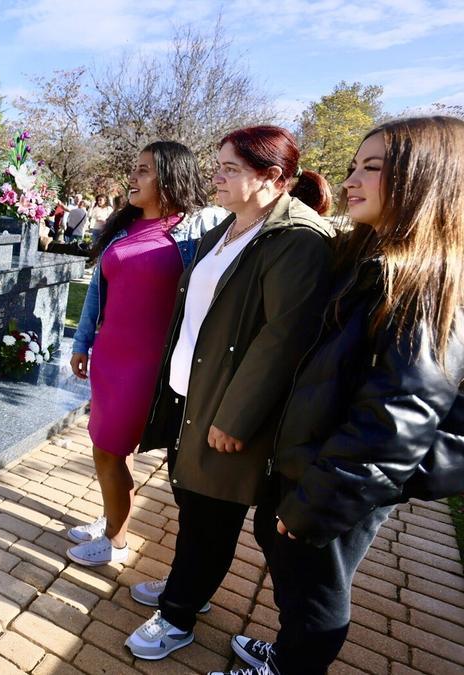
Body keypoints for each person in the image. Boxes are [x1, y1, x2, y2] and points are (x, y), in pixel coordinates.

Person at [217, 117, 464, 675]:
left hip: (339, 479)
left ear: (425, 179)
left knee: (316, 596)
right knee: (290, 567)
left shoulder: (421, 287)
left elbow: (396, 421)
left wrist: (316, 505)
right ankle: (287, 653)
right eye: (354, 166)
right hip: (314, 462)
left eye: (371, 169)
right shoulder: (369, 260)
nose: (352, 180)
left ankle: (293, 666)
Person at [124, 125, 335, 661]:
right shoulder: (229, 224)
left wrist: (237, 418)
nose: (215, 175)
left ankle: (177, 617)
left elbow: (282, 338)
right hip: (191, 393)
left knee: (210, 516)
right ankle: (185, 590)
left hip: (228, 408)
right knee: (190, 502)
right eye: (217, 164)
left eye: (230, 168)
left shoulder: (296, 239)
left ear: (273, 178)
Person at [67, 141, 226, 567]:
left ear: (170, 177)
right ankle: (111, 518)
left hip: (150, 364)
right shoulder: (121, 228)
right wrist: (82, 343)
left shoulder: (200, 228)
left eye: (143, 171)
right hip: (109, 358)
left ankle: (115, 542)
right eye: (134, 170)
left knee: (109, 448)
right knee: (109, 447)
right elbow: (97, 295)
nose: (132, 179)